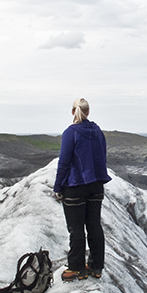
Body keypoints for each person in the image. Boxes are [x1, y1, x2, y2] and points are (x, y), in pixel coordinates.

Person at [53, 98, 111, 281]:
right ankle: (96, 266)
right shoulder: (98, 132)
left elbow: (64, 162)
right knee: (94, 225)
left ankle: (77, 268)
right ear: (88, 112)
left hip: (75, 186)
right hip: (96, 185)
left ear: (73, 112)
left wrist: (57, 186)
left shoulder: (71, 133)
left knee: (76, 228)